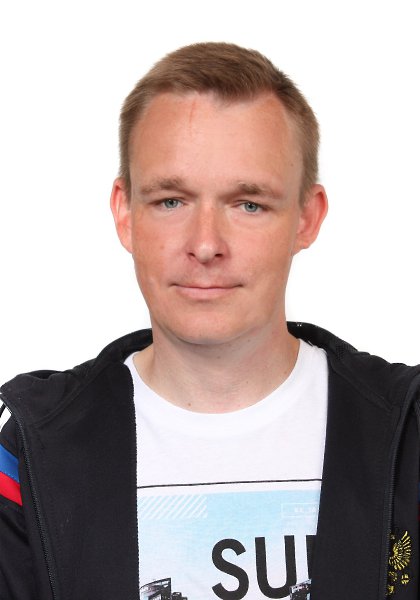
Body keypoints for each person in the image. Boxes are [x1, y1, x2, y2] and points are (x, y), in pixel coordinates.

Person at [0, 42, 419, 600]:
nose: (205, 245)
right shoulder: (30, 452)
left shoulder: (409, 434)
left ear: (307, 217)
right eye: (171, 201)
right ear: (125, 213)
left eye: (248, 204)